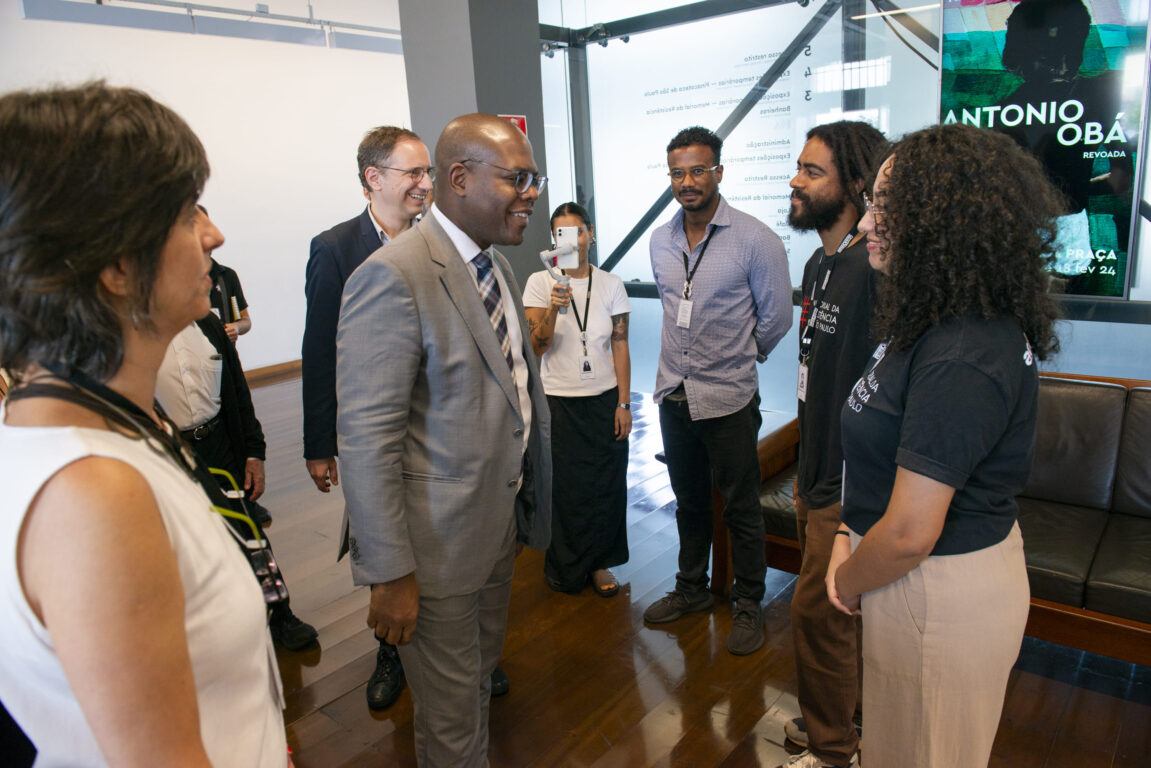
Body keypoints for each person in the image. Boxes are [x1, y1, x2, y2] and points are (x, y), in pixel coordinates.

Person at [0, 82, 288, 767]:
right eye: (188, 214)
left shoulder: (101, 427)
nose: (214, 235)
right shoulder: (92, 496)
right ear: (117, 265)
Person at [827, 123, 1062, 767]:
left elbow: (909, 532)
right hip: (907, 580)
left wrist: (847, 577)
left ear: (943, 218)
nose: (866, 223)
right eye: (870, 203)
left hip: (936, 590)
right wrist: (848, 530)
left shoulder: (963, 352)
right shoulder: (933, 317)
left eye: (886, 207)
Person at [336, 113, 552, 766]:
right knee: (451, 723)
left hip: (492, 530)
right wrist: (389, 574)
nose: (531, 194)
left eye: (534, 180)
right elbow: (367, 441)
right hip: (433, 555)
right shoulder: (393, 275)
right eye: (517, 179)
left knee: (475, 685)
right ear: (459, 179)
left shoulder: (496, 266)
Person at [644, 125, 792, 656]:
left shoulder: (755, 239)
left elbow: (776, 318)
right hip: (674, 393)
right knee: (689, 503)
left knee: (740, 507)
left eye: (698, 171)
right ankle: (692, 588)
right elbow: (672, 307)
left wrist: (738, 355)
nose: (687, 182)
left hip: (728, 398)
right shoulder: (659, 240)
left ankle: (748, 601)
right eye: (677, 173)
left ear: (719, 173)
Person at [302, 126, 432, 711]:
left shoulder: (440, 241)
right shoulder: (335, 248)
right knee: (381, 536)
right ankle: (390, 650)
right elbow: (319, 350)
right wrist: (319, 443)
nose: (425, 184)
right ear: (373, 179)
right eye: (414, 173)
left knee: (439, 536)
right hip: (370, 429)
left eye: (428, 172)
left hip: (434, 425)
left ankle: (460, 649)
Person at [156, 206, 318, 652]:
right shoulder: (129, 340)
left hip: (219, 446)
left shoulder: (208, 324)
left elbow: (238, 395)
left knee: (251, 535)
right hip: (173, 457)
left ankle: (280, 615)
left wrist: (253, 451)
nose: (214, 243)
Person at [780, 121, 888, 768]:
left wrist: (851, 497)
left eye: (811, 171)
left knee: (818, 617)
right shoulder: (818, 263)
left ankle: (831, 752)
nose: (795, 180)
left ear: (854, 184)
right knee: (835, 621)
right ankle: (841, 720)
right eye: (798, 167)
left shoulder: (870, 271)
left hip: (846, 484)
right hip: (811, 469)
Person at [523, 202, 632, 596]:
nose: (573, 241)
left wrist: (623, 403)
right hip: (559, 402)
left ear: (591, 234)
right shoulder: (540, 282)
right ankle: (566, 566)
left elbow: (620, 344)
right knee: (565, 487)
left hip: (604, 400)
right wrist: (553, 308)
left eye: (579, 232)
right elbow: (537, 346)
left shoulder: (611, 284)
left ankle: (601, 563)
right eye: (562, 234)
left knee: (606, 483)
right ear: (554, 241)